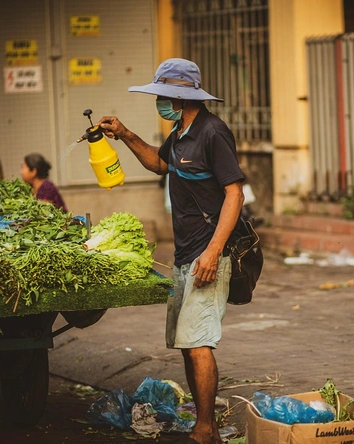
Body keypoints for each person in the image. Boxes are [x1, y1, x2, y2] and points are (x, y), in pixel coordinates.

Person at [99, 58, 244, 444]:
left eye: (162, 95)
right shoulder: (181, 130)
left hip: (208, 252)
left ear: (179, 97)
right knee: (187, 343)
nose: (158, 101)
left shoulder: (213, 132)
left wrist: (213, 253)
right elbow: (160, 163)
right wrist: (126, 135)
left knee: (198, 344)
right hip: (185, 253)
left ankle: (204, 429)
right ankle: (205, 423)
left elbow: (235, 193)